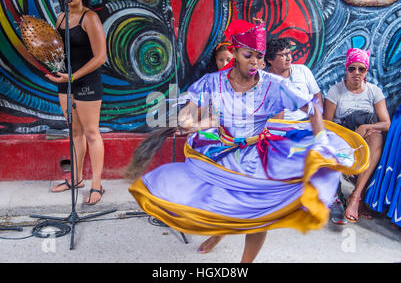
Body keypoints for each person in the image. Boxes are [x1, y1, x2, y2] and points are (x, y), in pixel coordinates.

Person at [127, 20, 369, 262]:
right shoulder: (214, 82)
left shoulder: (275, 85)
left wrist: (319, 141)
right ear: (234, 53)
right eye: (248, 55)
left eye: (259, 56)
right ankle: (219, 234)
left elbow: (313, 109)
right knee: (218, 204)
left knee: (258, 216)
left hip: (258, 155)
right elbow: (191, 109)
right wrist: (186, 119)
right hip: (220, 150)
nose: (254, 61)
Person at [46, 0, 107, 205]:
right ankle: (77, 179)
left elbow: (100, 57)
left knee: (92, 133)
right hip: (65, 82)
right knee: (75, 132)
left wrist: (73, 76)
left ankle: (97, 185)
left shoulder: (89, 18)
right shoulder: (61, 18)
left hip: (86, 82)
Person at [324, 48, 391, 223]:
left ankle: (355, 196)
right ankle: (336, 196)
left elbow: (386, 123)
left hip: (364, 135)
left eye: (361, 69)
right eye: (352, 68)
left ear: (366, 71)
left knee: (376, 137)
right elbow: (326, 123)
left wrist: (366, 126)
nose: (356, 73)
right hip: (342, 133)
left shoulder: (373, 91)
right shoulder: (335, 91)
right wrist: (348, 136)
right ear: (346, 69)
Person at [264, 38, 322, 121]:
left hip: (307, 122)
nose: (289, 58)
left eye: (289, 53)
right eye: (283, 55)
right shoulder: (264, 81)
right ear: (270, 60)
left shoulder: (302, 70)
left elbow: (317, 95)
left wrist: (317, 119)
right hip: (281, 126)